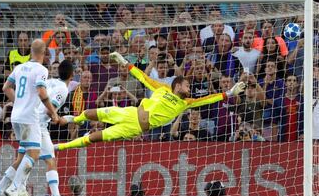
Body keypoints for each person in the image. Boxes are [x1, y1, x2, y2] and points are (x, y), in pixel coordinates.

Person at [54, 52, 246, 151]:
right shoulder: (161, 88)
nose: (189, 89)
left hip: (134, 128)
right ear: (177, 86)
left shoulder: (185, 102)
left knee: (94, 138)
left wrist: (229, 92)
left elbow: (207, 99)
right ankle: (70, 120)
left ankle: (60, 147)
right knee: (88, 114)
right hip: (129, 112)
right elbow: (142, 77)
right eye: (187, 86)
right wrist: (123, 62)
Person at [0, 60, 76, 196]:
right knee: (47, 159)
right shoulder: (63, 89)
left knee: (23, 158)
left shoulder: (49, 81)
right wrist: (61, 118)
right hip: (37, 124)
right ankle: (19, 189)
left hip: (26, 118)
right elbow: (50, 110)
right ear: (72, 75)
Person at [0, 39, 59, 196]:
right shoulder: (41, 70)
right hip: (29, 117)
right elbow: (41, 91)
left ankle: (1, 191)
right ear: (45, 52)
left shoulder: (19, 67)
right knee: (33, 153)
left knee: (26, 153)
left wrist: (18, 101)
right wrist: (53, 112)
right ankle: (14, 187)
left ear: (31, 51)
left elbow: (5, 88)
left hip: (16, 116)